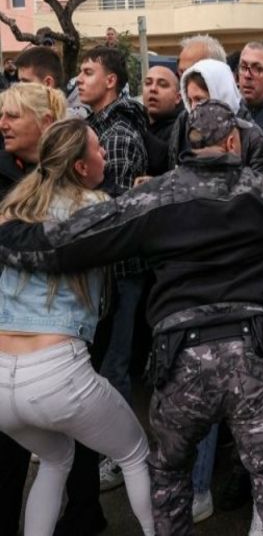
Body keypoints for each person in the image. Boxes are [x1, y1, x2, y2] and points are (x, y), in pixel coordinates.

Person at [0, 99, 263, 535]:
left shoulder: (155, 196)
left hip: (180, 360)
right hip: (250, 357)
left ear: (188, 144)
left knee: (169, 480)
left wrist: (9, 233)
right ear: (233, 143)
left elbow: (64, 242)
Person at [0, 117, 156, 536]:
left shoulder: (15, 206)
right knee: (135, 453)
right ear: (81, 167)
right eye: (98, 149)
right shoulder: (94, 211)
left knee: (55, 460)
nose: (106, 154)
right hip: (55, 371)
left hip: (2, 379)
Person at [76, 46, 150, 493]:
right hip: (109, 270)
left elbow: (115, 211)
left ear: (111, 81)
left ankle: (122, 457)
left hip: (121, 270)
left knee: (115, 367)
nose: (79, 80)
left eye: (88, 72)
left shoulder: (118, 134)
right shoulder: (98, 126)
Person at [0, 83, 69, 536]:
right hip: (9, 330)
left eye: (13, 115)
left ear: (44, 123)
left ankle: (80, 517)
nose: (2, 124)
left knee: (64, 447)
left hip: (57, 332)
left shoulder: (69, 173)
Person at [171, 58, 263, 174]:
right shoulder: (184, 123)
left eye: (199, 99)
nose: (193, 107)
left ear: (220, 93)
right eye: (190, 100)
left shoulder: (252, 138)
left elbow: (259, 182)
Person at [142, 65, 184, 175]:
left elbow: (167, 160)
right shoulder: (140, 120)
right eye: (148, 83)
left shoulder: (183, 128)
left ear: (178, 98)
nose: (153, 89)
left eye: (162, 85)